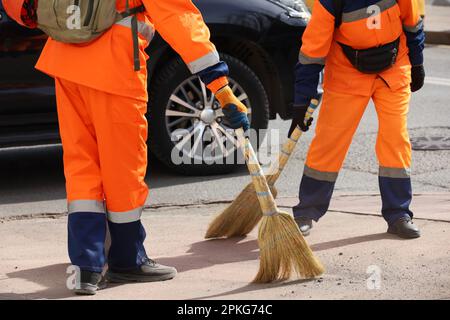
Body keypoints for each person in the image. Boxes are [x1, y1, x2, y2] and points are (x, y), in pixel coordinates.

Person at [2, 0, 249, 295]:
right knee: (123, 171)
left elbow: (19, 8)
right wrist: (220, 86)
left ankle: (86, 267)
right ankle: (127, 260)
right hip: (115, 70)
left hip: (66, 65)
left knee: (81, 166)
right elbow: (179, 19)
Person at [289, 0, 425, 239]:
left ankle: (398, 214)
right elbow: (312, 52)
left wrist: (417, 62)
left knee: (395, 137)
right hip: (346, 72)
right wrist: (302, 101)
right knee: (330, 141)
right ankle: (306, 212)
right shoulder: (328, 2)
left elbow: (413, 24)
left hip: (393, 67)